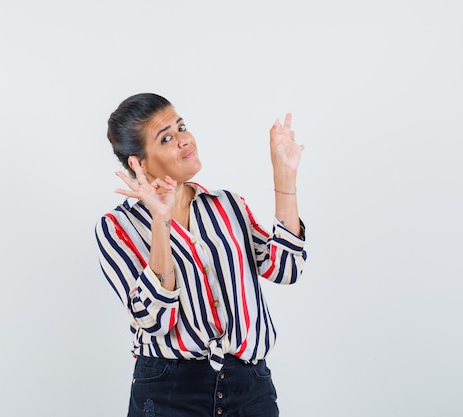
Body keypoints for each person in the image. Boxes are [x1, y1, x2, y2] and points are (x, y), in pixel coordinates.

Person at [95, 93, 307, 417]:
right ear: (140, 163)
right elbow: (156, 320)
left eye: (181, 127)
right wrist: (160, 222)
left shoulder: (227, 205)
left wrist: (284, 175)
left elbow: (286, 267)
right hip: (169, 392)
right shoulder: (116, 228)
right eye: (166, 138)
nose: (184, 140)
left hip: (250, 388)